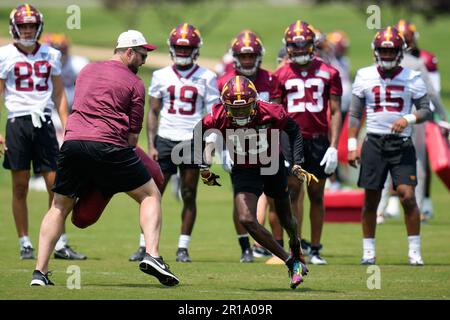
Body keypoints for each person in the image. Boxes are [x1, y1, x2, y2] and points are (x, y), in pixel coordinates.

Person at [29, 29, 179, 286]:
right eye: (142, 55)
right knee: (150, 194)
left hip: (73, 143)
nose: (144, 61)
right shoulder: (135, 83)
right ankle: (152, 254)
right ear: (129, 52)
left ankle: (39, 273)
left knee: (58, 206)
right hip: (110, 146)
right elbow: (131, 140)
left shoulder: (86, 70)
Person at [195, 75, 314, 289]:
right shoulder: (218, 115)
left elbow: (294, 130)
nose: (239, 113)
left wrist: (297, 162)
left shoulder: (271, 111)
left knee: (287, 218)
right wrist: (202, 165)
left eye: (244, 108)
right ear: (225, 105)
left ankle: (295, 247)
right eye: (235, 109)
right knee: (246, 219)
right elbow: (199, 131)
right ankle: (291, 262)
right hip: (244, 170)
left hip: (272, 166)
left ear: (254, 102)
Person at [0, 4, 86, 261]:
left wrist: (67, 123)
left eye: (31, 26)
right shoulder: (5, 55)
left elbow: (59, 92)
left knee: (57, 185)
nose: (27, 30)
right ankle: (25, 241)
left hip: (45, 124)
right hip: (17, 123)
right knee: (19, 187)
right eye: (23, 26)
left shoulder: (51, 54)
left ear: (39, 28)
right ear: (15, 27)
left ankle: (59, 241)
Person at [128, 23, 219, 263]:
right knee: (152, 194)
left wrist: (209, 145)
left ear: (196, 49)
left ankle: (183, 247)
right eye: (179, 47)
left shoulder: (207, 77)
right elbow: (153, 112)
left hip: (192, 140)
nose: (182, 51)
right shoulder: (160, 75)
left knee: (189, 194)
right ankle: (144, 246)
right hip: (166, 139)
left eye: (187, 47)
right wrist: (152, 144)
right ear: (171, 48)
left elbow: (213, 115)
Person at [348, 26, 432, 266]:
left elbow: (426, 109)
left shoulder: (412, 77)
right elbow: (354, 114)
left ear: (399, 51)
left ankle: (414, 251)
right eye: (382, 51)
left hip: (401, 143)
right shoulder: (364, 75)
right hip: (373, 141)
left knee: (407, 196)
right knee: (371, 199)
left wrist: (408, 118)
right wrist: (352, 144)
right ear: (376, 52)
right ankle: (368, 251)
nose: (386, 55)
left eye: (390, 51)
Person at [274, 20, 343, 265]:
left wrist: (334, 145)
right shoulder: (280, 74)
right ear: (288, 46)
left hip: (318, 139)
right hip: (292, 140)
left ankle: (315, 248)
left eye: (304, 45)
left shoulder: (329, 72)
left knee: (316, 193)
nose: (300, 49)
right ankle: (298, 247)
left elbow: (335, 112)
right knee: (293, 192)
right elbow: (275, 113)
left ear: (313, 45)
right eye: (295, 45)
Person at [215, 30, 283, 263]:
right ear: (235, 57)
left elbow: (276, 115)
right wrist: (222, 148)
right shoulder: (224, 81)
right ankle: (245, 246)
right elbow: (217, 118)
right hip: (238, 148)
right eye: (243, 57)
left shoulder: (271, 79)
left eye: (251, 56)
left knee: (273, 196)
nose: (247, 60)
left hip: (266, 145)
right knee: (240, 198)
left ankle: (274, 245)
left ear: (258, 56)